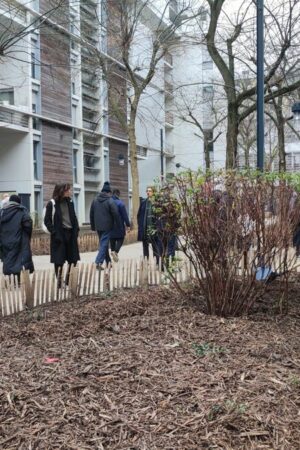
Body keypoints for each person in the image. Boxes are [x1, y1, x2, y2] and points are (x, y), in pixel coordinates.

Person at [44, 183, 80, 286]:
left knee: (73, 259)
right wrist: (54, 233)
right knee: (59, 260)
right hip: (59, 235)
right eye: (67, 190)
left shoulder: (70, 202)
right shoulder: (52, 204)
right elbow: (47, 221)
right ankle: (60, 282)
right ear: (61, 191)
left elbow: (74, 217)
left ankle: (69, 281)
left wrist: (76, 230)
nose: (70, 192)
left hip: (71, 234)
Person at [0, 194, 34, 281]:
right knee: (19, 260)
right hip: (19, 239)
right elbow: (28, 225)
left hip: (5, 240)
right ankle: (18, 280)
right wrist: (27, 235)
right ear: (18, 202)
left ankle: (11, 279)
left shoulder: (2, 212)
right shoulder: (22, 210)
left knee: (9, 259)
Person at [90, 181, 119, 269]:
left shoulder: (95, 200)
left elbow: (91, 213)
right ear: (108, 192)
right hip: (107, 226)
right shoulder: (110, 201)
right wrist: (118, 225)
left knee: (104, 244)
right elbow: (116, 213)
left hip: (98, 226)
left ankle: (108, 262)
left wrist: (93, 226)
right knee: (104, 244)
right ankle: (98, 262)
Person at [137, 186, 162, 265]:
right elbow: (139, 215)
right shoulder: (144, 202)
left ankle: (158, 262)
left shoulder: (157, 203)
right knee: (145, 247)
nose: (148, 192)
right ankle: (146, 262)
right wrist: (140, 225)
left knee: (155, 247)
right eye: (147, 191)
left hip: (154, 229)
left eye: (150, 191)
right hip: (145, 228)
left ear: (153, 192)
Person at [110, 189, 131, 262]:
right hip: (119, 225)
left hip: (110, 225)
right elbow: (125, 215)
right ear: (118, 194)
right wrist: (128, 225)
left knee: (112, 239)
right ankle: (115, 252)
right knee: (121, 239)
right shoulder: (120, 203)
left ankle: (112, 251)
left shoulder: (108, 203)